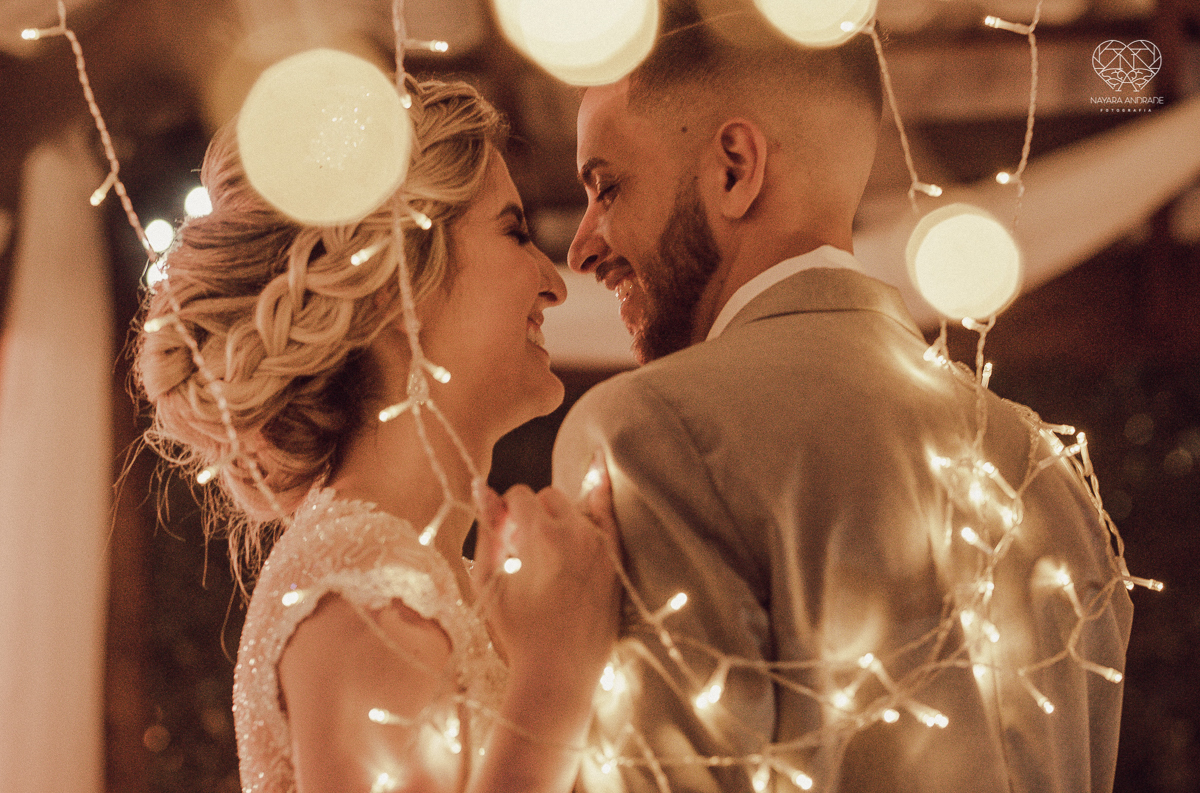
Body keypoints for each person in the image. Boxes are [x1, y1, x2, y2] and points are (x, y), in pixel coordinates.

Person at [552, 11, 1133, 793]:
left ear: (734, 166)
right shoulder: (1047, 471)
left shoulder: (645, 437)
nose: (580, 245)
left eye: (606, 185)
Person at [134, 77, 620, 793]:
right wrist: (557, 678)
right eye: (515, 231)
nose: (552, 281)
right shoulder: (363, 599)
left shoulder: (421, 576)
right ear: (397, 280)